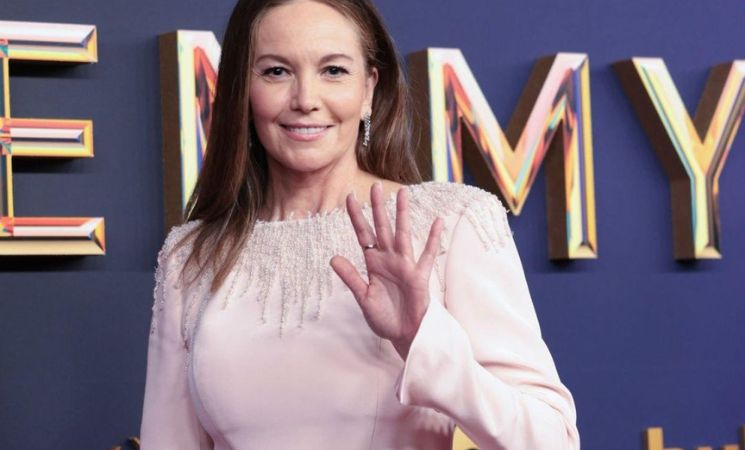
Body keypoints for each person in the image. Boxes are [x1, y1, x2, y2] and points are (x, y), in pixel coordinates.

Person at [140, 0, 580, 449]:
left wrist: (421, 338)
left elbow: (551, 441)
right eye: (275, 72)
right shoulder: (191, 255)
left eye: (333, 70)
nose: (306, 100)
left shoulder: (452, 222)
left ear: (369, 88)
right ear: (241, 90)